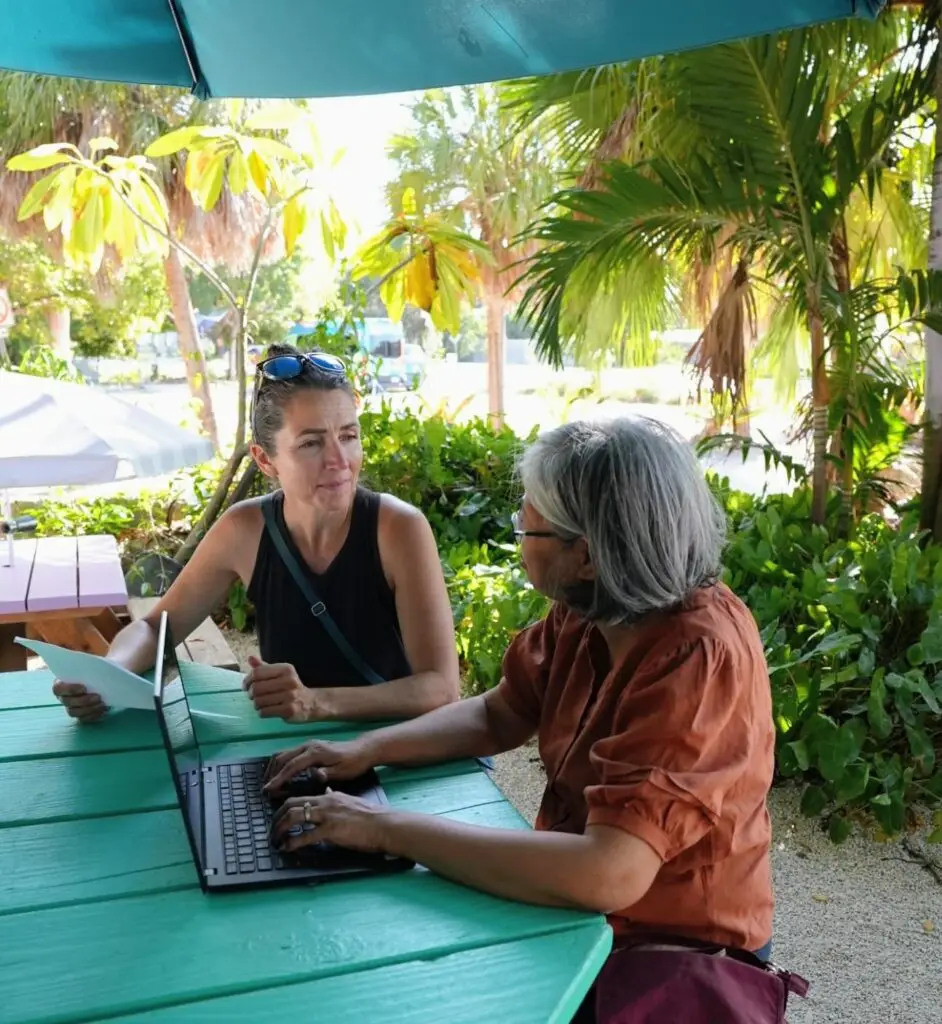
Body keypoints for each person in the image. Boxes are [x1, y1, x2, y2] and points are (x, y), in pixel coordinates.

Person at [264, 417, 776, 1013]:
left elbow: (609, 873)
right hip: (595, 918)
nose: (519, 538)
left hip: (671, 955)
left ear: (584, 554)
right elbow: (500, 713)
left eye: (526, 528)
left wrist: (382, 828)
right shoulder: (597, 606)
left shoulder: (696, 656)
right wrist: (368, 750)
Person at [54, 344, 460, 724]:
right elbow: (155, 629)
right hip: (296, 759)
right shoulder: (244, 530)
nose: (339, 460)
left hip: (396, 756)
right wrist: (108, 673)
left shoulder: (397, 529)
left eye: (349, 436)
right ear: (265, 460)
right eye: (311, 443)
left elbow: (441, 689)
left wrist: (316, 702)